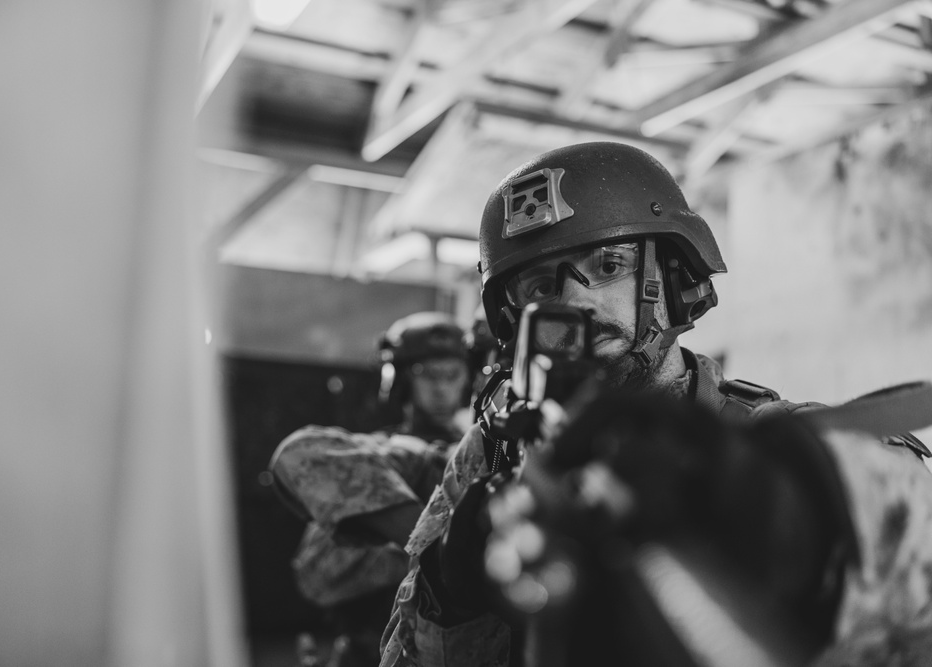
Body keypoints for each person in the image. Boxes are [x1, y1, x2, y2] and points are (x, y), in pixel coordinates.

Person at [379, 142, 932, 667]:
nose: (576, 301)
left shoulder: (769, 440)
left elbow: (903, 515)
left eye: (610, 266)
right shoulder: (494, 451)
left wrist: (783, 510)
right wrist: (447, 592)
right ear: (512, 320)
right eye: (541, 288)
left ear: (674, 280)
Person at [271, 312, 472, 667]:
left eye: (452, 374)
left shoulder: (484, 451)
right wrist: (431, 547)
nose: (441, 387)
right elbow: (318, 573)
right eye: (427, 374)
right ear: (399, 381)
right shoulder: (381, 455)